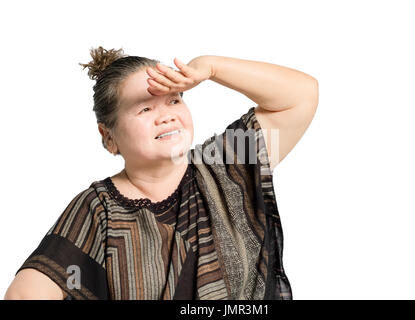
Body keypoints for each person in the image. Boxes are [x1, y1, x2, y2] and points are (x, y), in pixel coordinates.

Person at [4, 47, 319, 300]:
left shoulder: (225, 165)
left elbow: (300, 96)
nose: (166, 116)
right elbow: (25, 293)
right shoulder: (98, 209)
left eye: (174, 99)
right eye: (145, 108)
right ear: (109, 136)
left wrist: (210, 68)